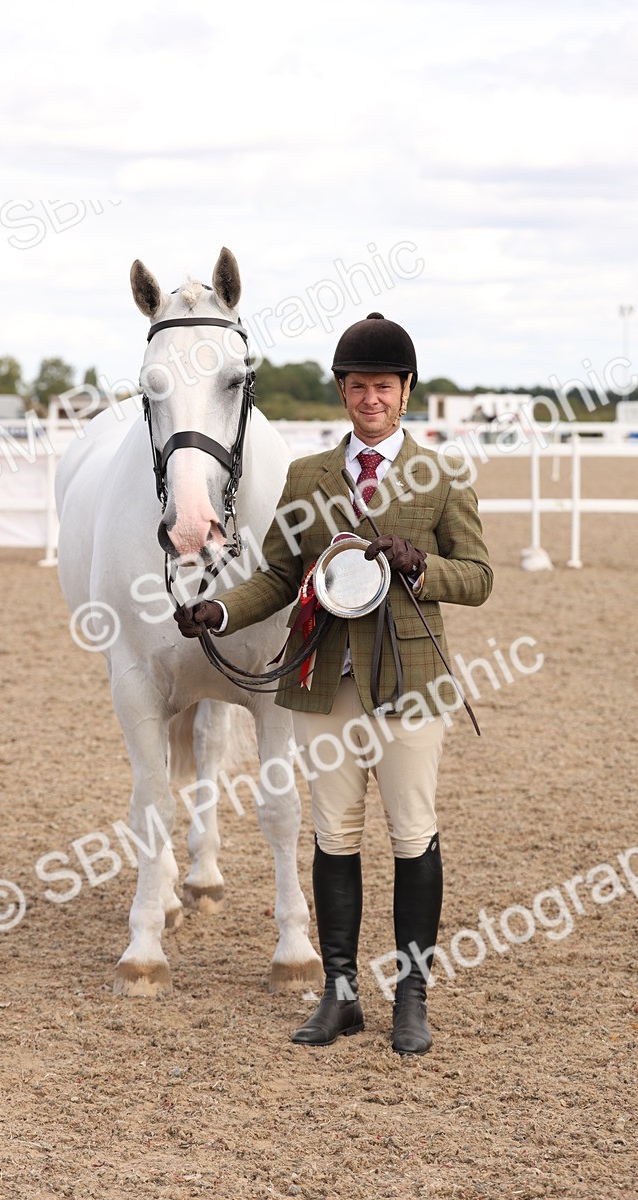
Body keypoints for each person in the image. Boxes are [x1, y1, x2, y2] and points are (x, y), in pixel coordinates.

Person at [174, 313, 493, 1055]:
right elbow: (281, 575)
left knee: (413, 835)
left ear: (406, 390)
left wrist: (421, 565)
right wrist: (219, 609)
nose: (370, 398)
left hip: (410, 681)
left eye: (383, 385)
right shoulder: (308, 476)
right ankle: (341, 992)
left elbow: (477, 578)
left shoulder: (443, 475)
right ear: (343, 391)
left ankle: (411, 995)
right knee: (334, 837)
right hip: (324, 679)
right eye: (358, 386)